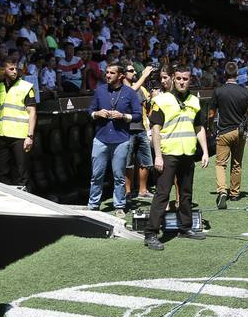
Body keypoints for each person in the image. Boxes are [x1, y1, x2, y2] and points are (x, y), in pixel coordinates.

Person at [145, 67, 209, 251]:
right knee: (162, 194)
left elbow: (199, 128)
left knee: (186, 193)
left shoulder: (195, 101)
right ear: (173, 79)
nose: (182, 82)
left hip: (188, 154)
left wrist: (204, 151)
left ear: (191, 80)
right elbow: (155, 129)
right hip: (168, 154)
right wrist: (157, 155)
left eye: (185, 79)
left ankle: (185, 227)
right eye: (179, 78)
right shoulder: (161, 100)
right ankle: (151, 233)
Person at [88, 61, 142, 216]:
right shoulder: (100, 90)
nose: (108, 75)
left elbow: (138, 114)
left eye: (111, 73)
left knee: (119, 175)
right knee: (96, 175)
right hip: (101, 139)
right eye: (107, 72)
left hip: (121, 139)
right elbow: (90, 110)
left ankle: (119, 205)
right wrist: (97, 114)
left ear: (121, 76)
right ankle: (93, 205)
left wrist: (124, 116)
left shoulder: (130, 92)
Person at [210, 60, 248, 209]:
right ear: (237, 74)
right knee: (237, 164)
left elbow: (211, 114)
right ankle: (235, 193)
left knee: (220, 163)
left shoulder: (218, 91)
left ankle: (222, 190)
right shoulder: (245, 92)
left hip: (223, 131)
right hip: (240, 132)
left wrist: (211, 126)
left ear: (224, 74)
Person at [0, 54, 37, 188]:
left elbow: (32, 112)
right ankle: (10, 198)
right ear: (3, 70)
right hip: (2, 135)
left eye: (15, 68)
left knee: (22, 172)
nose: (15, 71)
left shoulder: (26, 86)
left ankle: (26, 199)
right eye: (11, 69)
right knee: (0, 171)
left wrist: (30, 136)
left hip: (20, 136)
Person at [126, 62, 156, 201]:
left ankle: (143, 190)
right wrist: (144, 75)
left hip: (142, 127)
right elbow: (130, 92)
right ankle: (128, 191)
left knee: (146, 160)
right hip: (128, 129)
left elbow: (147, 107)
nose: (134, 73)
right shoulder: (123, 88)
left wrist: (153, 99)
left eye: (134, 71)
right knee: (128, 162)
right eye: (131, 71)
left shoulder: (141, 89)